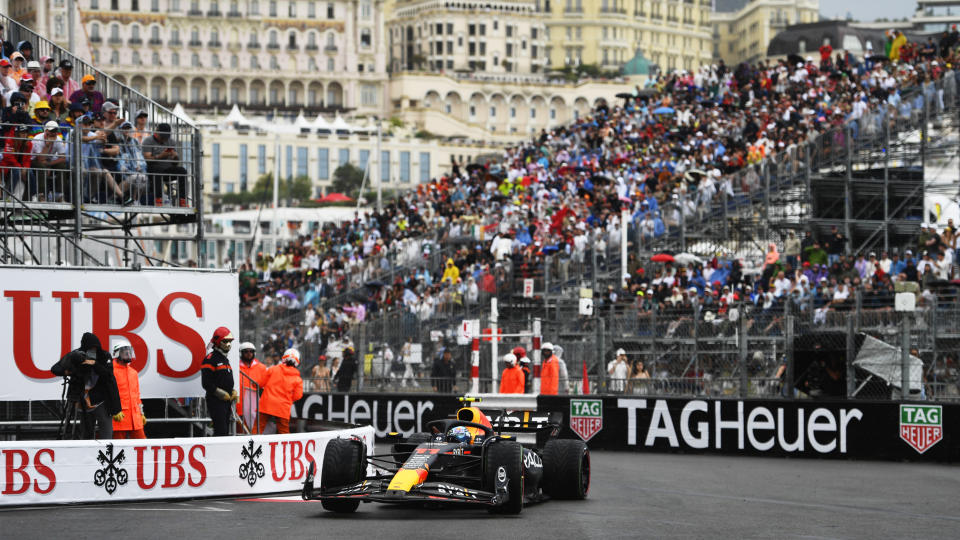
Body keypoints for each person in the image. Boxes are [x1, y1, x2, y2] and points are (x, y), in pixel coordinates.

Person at [50, 332, 122, 440]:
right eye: (90, 349)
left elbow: (108, 376)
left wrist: (94, 364)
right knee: (85, 434)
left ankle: (105, 454)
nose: (92, 351)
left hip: (101, 400)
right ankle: (87, 455)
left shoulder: (104, 355)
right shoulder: (76, 355)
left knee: (106, 433)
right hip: (83, 401)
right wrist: (70, 371)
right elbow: (55, 369)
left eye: (95, 349)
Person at [201, 326, 238, 436]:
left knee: (225, 430)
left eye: (230, 341)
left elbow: (224, 380)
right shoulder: (210, 359)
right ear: (217, 341)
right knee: (220, 430)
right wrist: (220, 393)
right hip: (216, 401)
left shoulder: (225, 359)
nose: (228, 344)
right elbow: (206, 383)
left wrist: (232, 391)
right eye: (225, 341)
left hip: (226, 401)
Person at [258, 348, 304, 434]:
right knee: (284, 433)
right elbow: (298, 396)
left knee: (257, 429)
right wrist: (288, 398)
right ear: (297, 362)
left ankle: (251, 447)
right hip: (283, 407)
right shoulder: (298, 379)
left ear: (284, 358)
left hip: (267, 403)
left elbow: (260, 383)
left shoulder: (273, 369)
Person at [142, 122, 188, 206]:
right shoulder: (148, 141)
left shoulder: (171, 142)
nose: (164, 139)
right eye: (163, 137)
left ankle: (182, 199)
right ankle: (158, 198)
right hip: (153, 169)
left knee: (182, 171)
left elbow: (175, 163)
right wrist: (160, 156)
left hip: (167, 169)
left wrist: (175, 157)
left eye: (166, 137)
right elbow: (146, 159)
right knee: (157, 170)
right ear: (157, 133)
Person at [112, 340, 146, 439]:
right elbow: (109, 394)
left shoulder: (133, 373)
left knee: (142, 445)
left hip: (135, 417)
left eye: (129, 351)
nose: (128, 354)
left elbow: (137, 396)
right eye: (124, 352)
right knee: (119, 448)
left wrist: (141, 413)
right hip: (119, 417)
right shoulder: (111, 371)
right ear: (117, 354)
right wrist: (114, 411)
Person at [237, 341, 267, 432]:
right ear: (241, 353)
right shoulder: (236, 367)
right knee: (240, 432)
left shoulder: (261, 367)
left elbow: (265, 386)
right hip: (238, 407)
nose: (249, 354)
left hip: (255, 408)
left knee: (255, 432)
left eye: (251, 351)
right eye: (246, 351)